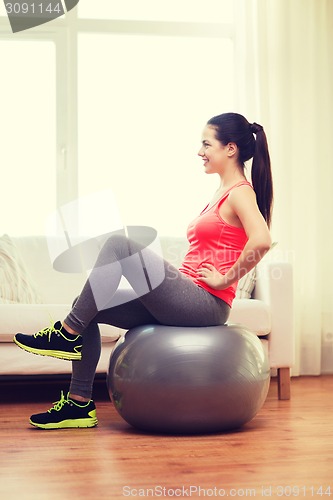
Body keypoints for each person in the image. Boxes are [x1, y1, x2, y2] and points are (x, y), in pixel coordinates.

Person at [13, 112, 273, 429]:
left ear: (230, 148)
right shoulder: (220, 193)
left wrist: (226, 277)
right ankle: (79, 405)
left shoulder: (240, 192)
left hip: (206, 304)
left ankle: (66, 334)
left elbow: (261, 240)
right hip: (187, 297)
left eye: (206, 144)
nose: (199, 151)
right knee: (89, 307)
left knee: (119, 246)